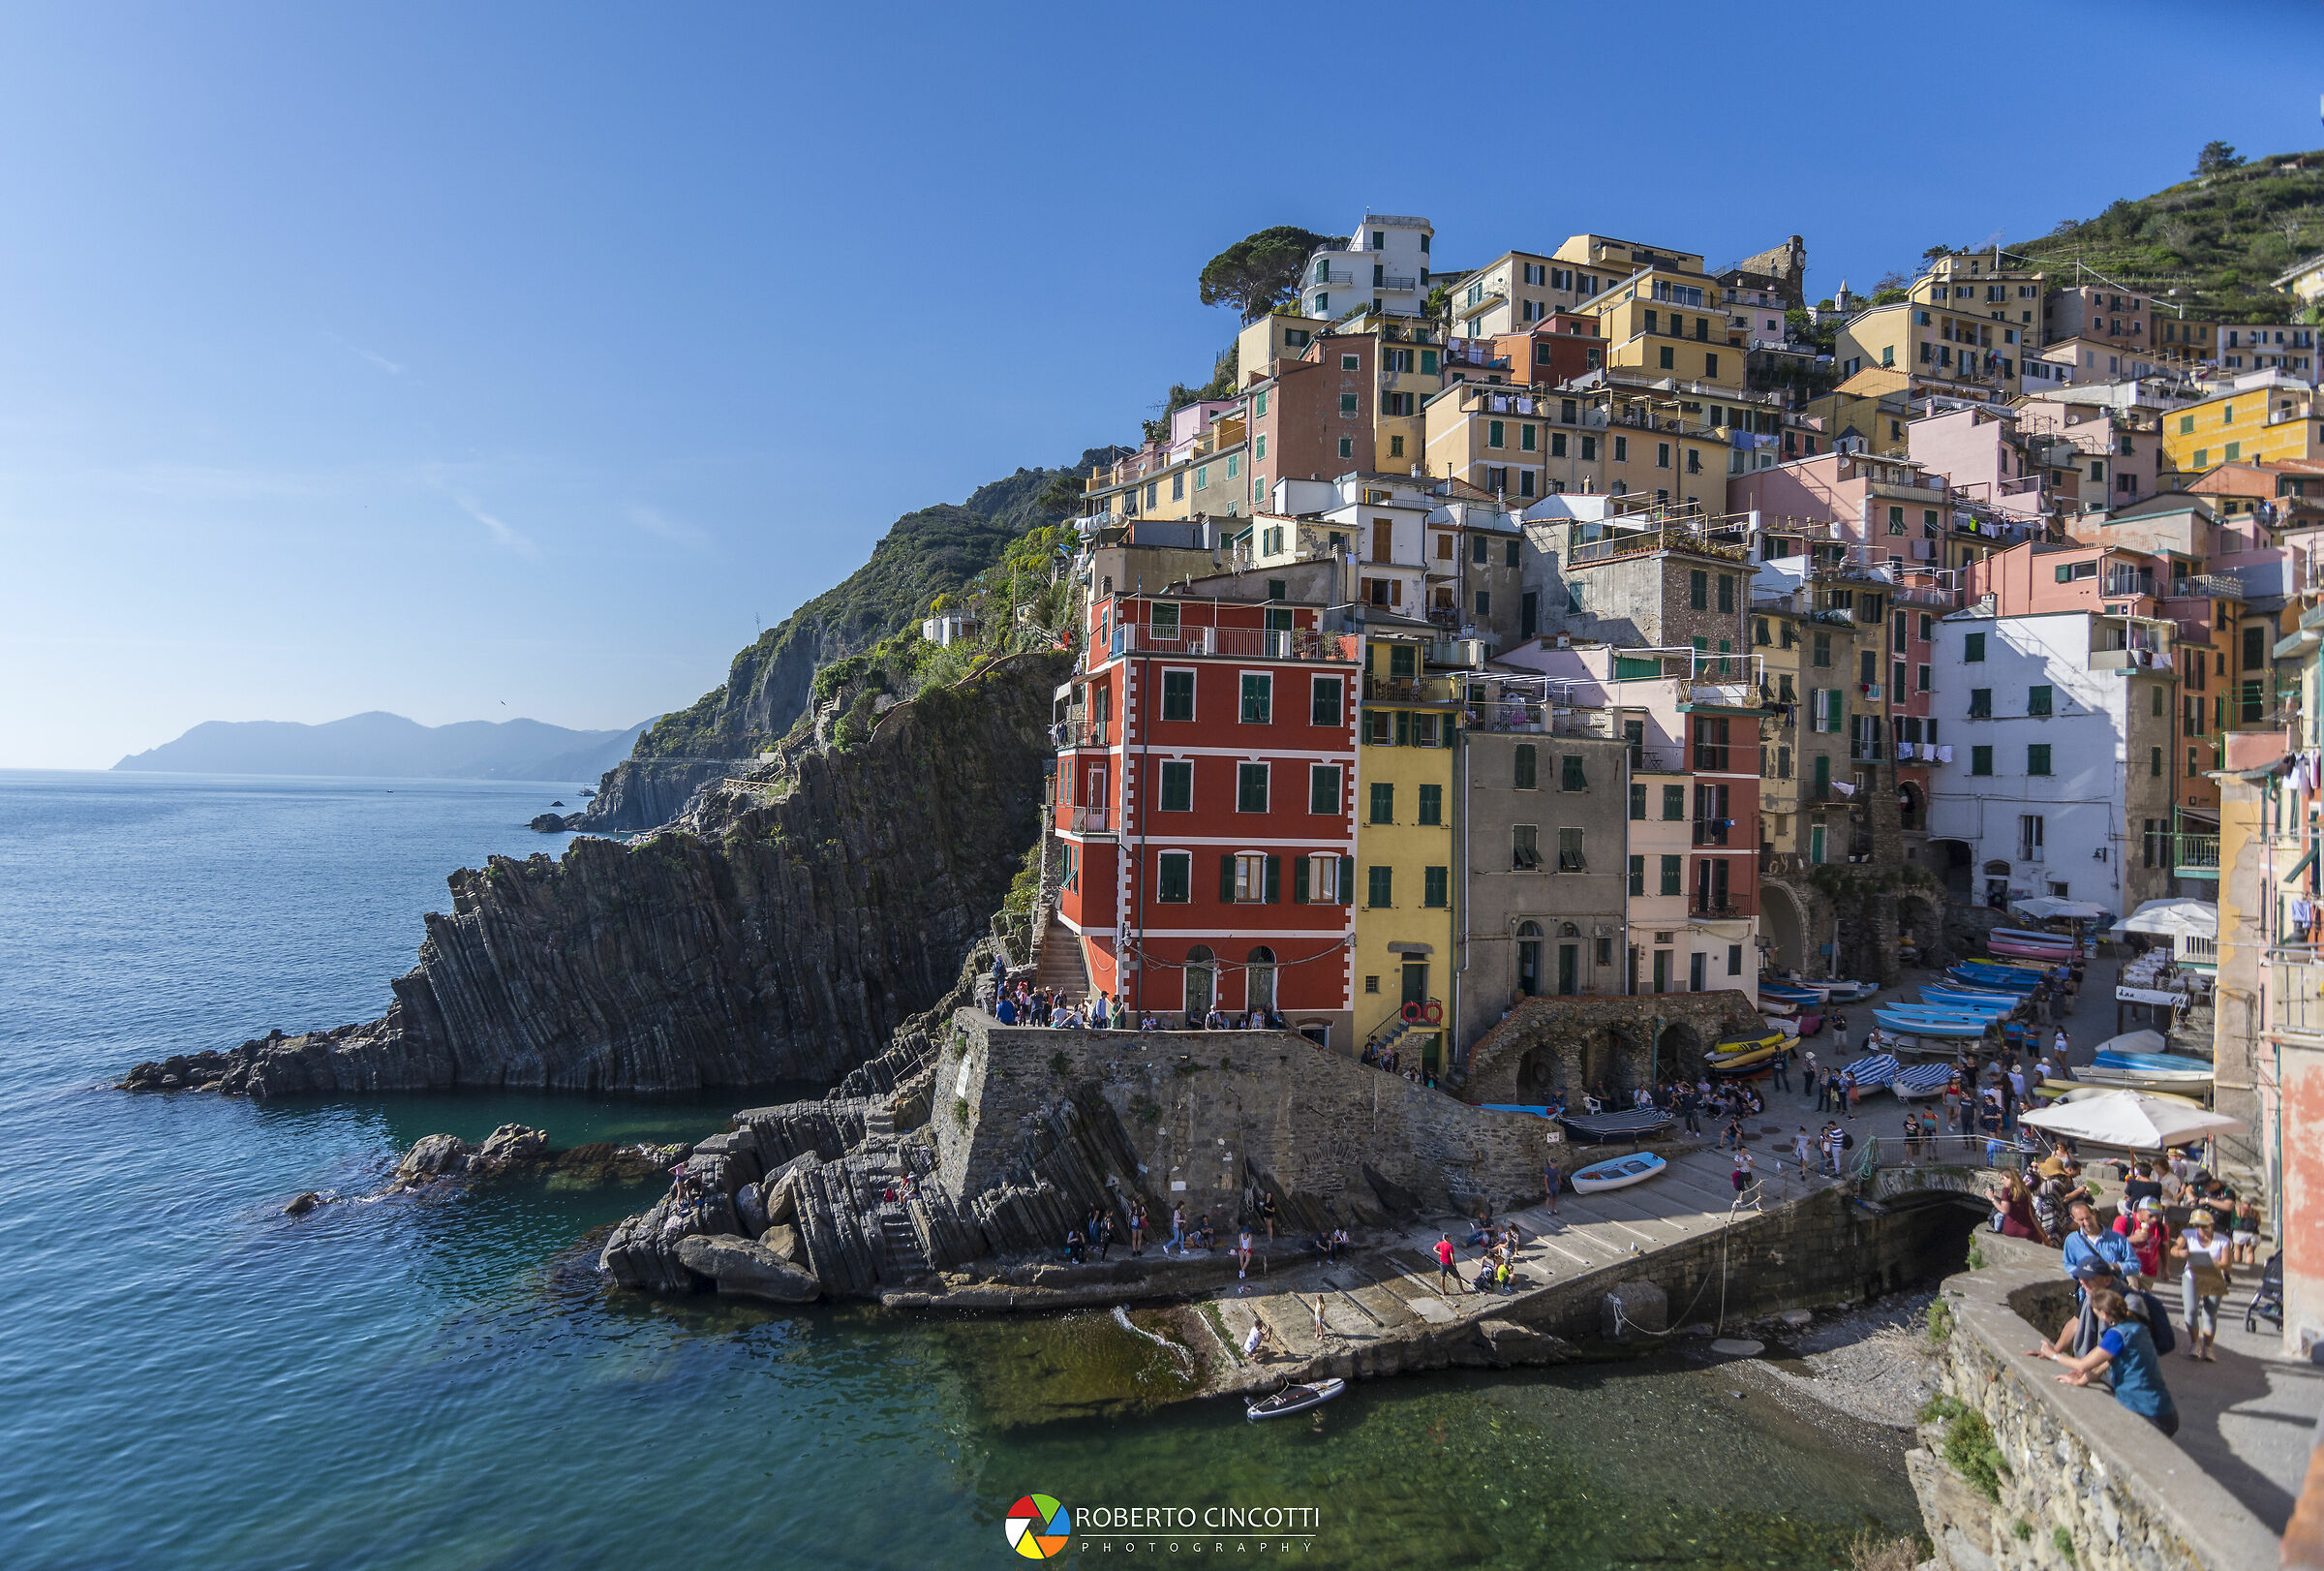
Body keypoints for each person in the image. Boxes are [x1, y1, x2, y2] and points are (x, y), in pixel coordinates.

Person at [2030, 1288, 2179, 1436]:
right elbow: (2104, 1364)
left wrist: (2053, 1354)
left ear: (2104, 1314)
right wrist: (2081, 1381)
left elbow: (2083, 1364)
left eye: (2095, 1312)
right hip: (2164, 1410)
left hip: (2147, 1412)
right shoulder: (2137, 1328)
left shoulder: (2117, 1336)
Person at [2170, 1209, 2233, 1361]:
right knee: (2190, 1311)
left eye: (2204, 1226)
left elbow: (2227, 1264)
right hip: (2191, 1275)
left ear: (2211, 1225)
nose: (2201, 1230)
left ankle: (2208, 1347)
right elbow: (2174, 1249)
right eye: (2197, 1226)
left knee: (2210, 1313)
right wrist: (2180, 1253)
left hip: (2213, 1276)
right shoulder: (2187, 1234)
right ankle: (2195, 1343)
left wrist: (2210, 1263)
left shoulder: (2223, 1241)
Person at [2232, 1193, 2263, 1267]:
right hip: (2254, 1233)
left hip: (2240, 1231)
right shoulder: (2255, 1211)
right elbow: (2259, 1223)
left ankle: (2238, 1266)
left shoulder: (2238, 1208)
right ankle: (2250, 1268)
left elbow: (2234, 1220)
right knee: (2250, 1252)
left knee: (2238, 1250)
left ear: (2242, 1201)